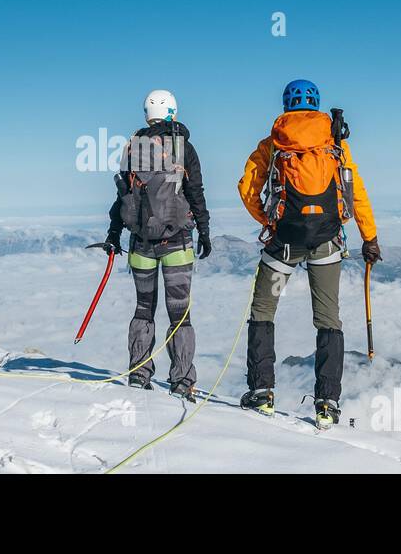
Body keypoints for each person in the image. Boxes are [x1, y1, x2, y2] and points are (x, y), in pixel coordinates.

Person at [235, 79, 381, 428]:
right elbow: (355, 191)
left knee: (263, 311)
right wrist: (370, 237)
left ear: (287, 104)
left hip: (284, 243)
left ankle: (262, 392)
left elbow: (247, 189)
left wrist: (271, 221)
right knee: (328, 319)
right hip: (326, 243)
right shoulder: (335, 143)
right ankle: (327, 403)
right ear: (316, 104)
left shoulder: (272, 144)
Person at [103, 89, 212, 402]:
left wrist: (114, 233)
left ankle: (138, 375)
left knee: (143, 309)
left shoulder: (133, 148)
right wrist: (204, 231)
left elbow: (122, 195)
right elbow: (196, 192)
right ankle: (181, 382)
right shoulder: (184, 148)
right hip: (177, 241)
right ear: (173, 112)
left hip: (141, 244)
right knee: (180, 315)